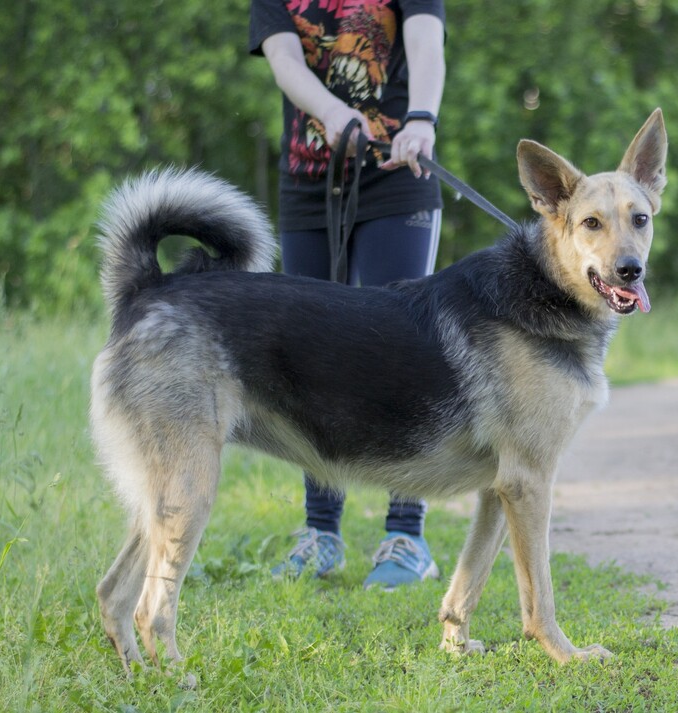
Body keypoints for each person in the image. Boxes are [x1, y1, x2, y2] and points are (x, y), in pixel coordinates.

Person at [249, 0, 446, 590]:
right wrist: (333, 111)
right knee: (307, 358)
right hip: (311, 180)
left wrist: (422, 119)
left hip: (398, 175)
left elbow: (428, 45)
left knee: (405, 350)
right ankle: (321, 533)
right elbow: (285, 61)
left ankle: (406, 536)